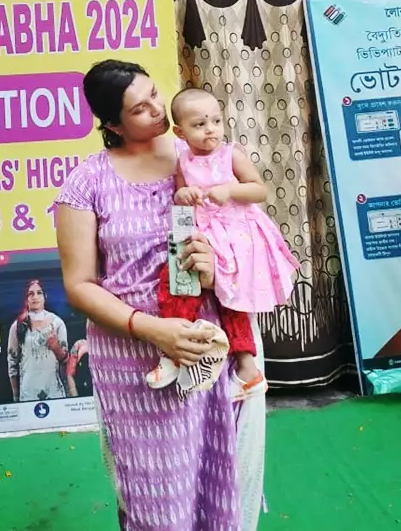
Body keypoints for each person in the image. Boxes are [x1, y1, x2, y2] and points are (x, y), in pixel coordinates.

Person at [55, 59, 258, 531]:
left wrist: (217, 270)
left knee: (217, 479)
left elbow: (254, 240)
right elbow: (79, 285)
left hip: (206, 346)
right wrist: (150, 329)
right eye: (139, 108)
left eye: (154, 94)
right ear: (111, 125)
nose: (156, 109)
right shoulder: (87, 182)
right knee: (155, 498)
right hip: (133, 360)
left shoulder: (203, 159)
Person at [152, 87, 300, 402]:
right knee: (180, 283)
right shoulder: (183, 161)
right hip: (203, 235)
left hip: (236, 236)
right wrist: (183, 195)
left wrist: (230, 189)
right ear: (180, 132)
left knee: (232, 300)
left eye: (216, 121)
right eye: (200, 124)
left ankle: (248, 369)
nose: (211, 130)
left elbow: (259, 190)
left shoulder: (230, 154)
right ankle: (175, 352)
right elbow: (180, 198)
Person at [7, 278, 88, 401]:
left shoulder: (57, 323)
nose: (35, 297)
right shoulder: (18, 325)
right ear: (26, 299)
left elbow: (66, 361)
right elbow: (12, 363)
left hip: (54, 392)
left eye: (39, 293)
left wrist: (55, 346)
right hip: (28, 393)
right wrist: (16, 395)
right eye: (31, 294)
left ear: (44, 296)